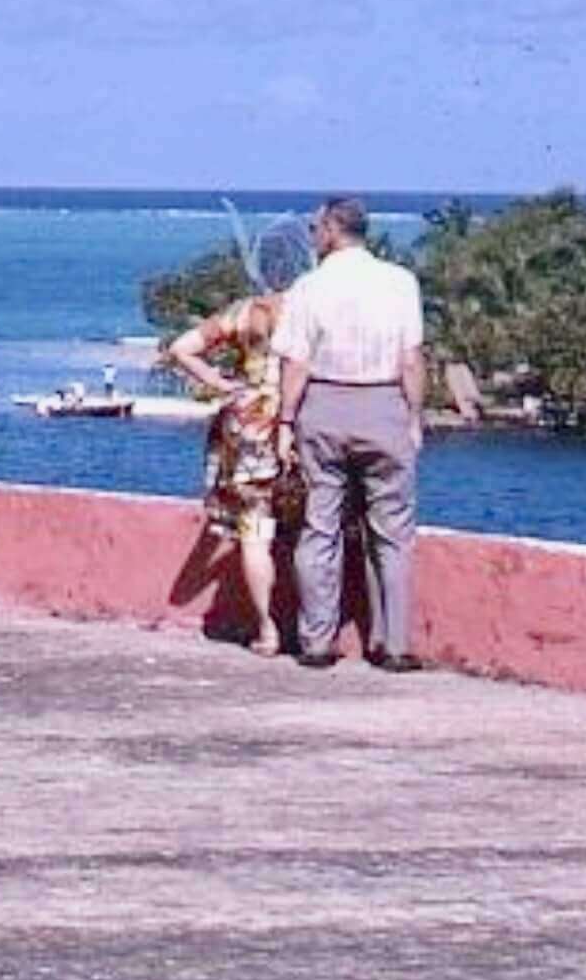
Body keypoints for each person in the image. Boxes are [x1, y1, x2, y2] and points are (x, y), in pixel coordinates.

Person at [272, 196, 426, 671]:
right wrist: (414, 416)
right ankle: (394, 643)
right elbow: (411, 358)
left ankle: (317, 641)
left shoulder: (309, 287)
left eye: (317, 227)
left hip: (324, 403)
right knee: (393, 530)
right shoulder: (401, 282)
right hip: (384, 404)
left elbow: (295, 362)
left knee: (320, 525)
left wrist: (284, 420)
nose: (314, 235)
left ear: (334, 231)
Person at [164, 215, 314, 656]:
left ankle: (267, 628)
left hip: (246, 422)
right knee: (315, 528)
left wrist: (223, 383)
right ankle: (312, 628)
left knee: (253, 531)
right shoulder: (309, 311)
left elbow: (181, 348)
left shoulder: (244, 311)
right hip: (298, 419)